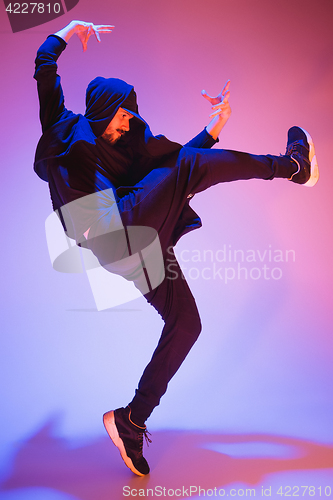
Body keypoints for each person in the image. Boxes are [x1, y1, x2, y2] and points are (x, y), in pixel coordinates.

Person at [34, 20, 319, 477]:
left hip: (136, 247)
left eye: (131, 113)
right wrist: (68, 28)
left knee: (187, 323)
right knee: (185, 166)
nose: (129, 121)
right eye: (122, 113)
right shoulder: (64, 129)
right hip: (115, 229)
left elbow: (166, 177)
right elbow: (44, 65)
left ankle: (131, 420)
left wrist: (213, 129)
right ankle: (290, 166)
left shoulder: (125, 149)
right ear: (102, 110)